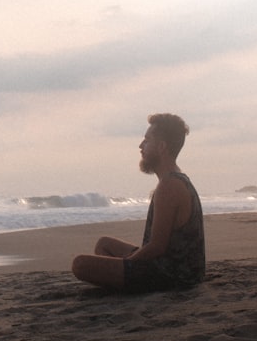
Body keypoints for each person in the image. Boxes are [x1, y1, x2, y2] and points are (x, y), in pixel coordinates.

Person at [72, 113, 205, 292]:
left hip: (174, 276)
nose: (141, 146)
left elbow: (157, 247)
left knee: (80, 264)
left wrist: (128, 264)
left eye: (146, 140)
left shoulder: (170, 185)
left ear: (161, 147)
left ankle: (124, 282)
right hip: (172, 267)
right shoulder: (173, 180)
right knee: (104, 244)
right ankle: (122, 280)